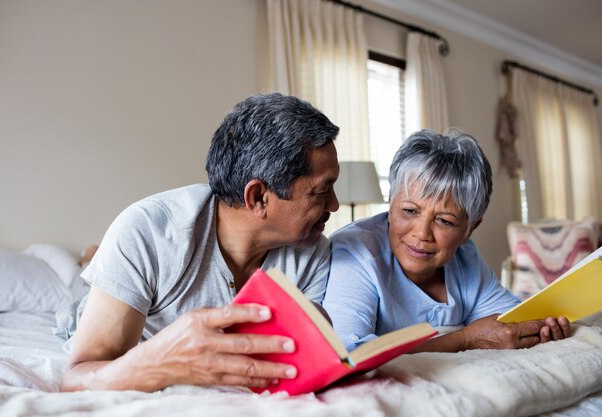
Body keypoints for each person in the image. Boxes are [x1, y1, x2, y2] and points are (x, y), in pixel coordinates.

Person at [60, 93, 341, 392]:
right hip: (95, 315)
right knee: (79, 307)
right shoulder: (148, 232)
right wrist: (163, 362)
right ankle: (91, 260)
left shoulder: (313, 251)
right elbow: (76, 379)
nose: (334, 205)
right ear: (258, 197)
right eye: (321, 192)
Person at [323, 129, 570, 353]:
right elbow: (348, 354)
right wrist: (465, 340)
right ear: (391, 201)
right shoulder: (355, 252)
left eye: (445, 221)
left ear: (469, 229)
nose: (421, 234)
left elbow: (510, 320)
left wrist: (544, 327)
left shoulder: (465, 257)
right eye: (410, 211)